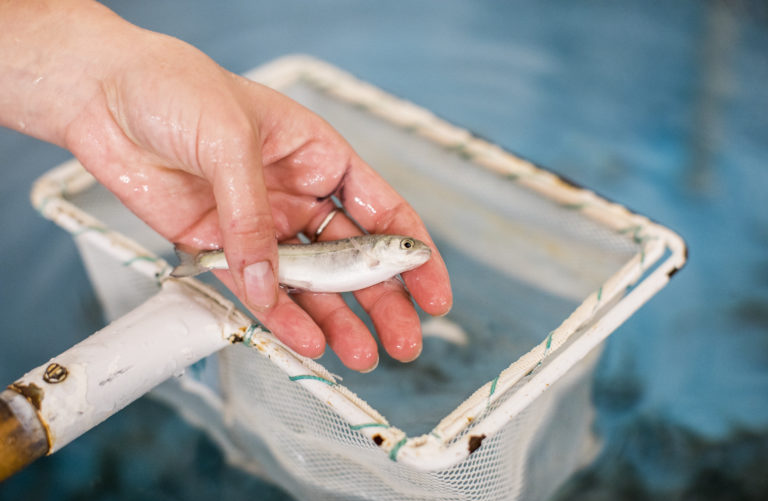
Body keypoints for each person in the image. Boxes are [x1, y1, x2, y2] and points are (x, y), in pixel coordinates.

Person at [0, 1, 452, 372]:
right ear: (387, 248)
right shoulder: (377, 257)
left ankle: (200, 263)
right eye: (407, 246)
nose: (412, 249)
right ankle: (202, 262)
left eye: (407, 247)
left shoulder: (377, 259)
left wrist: (103, 81)